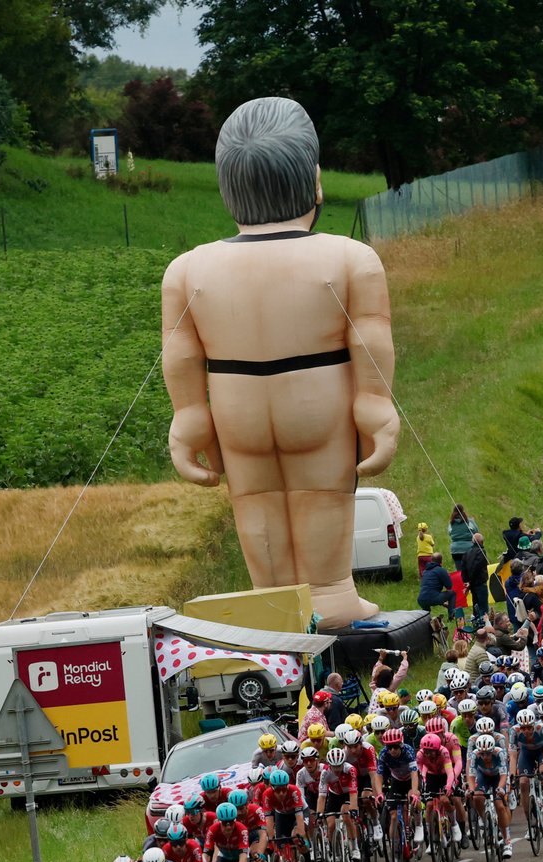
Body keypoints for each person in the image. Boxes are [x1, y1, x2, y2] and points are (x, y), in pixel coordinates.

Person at [160, 97, 398, 627]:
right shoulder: (350, 257)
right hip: (317, 399)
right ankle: (332, 594)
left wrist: (189, 415)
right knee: (320, 495)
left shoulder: (186, 269)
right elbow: (369, 339)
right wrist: (376, 403)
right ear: (315, 182)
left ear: (227, 189)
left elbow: (180, 354)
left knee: (256, 500)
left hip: (236, 407)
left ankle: (271, 604)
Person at [448, 503, 479, 570]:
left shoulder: (451, 523)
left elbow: (449, 533)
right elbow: (476, 532)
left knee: (459, 572)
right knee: (470, 571)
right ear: (463, 511)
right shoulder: (469, 521)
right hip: (468, 548)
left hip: (455, 550)